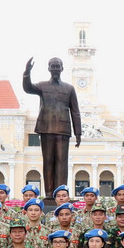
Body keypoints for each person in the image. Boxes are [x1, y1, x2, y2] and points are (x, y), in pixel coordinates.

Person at [22, 56, 82, 195]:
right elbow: (28, 88)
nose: (55, 69)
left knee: (62, 162)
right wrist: (27, 72)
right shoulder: (42, 86)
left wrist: (78, 132)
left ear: (62, 68)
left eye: (57, 66)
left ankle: (60, 193)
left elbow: (75, 111)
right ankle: (49, 194)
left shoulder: (69, 88)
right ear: (49, 68)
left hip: (63, 130)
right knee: (48, 161)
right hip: (46, 129)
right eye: (53, 66)